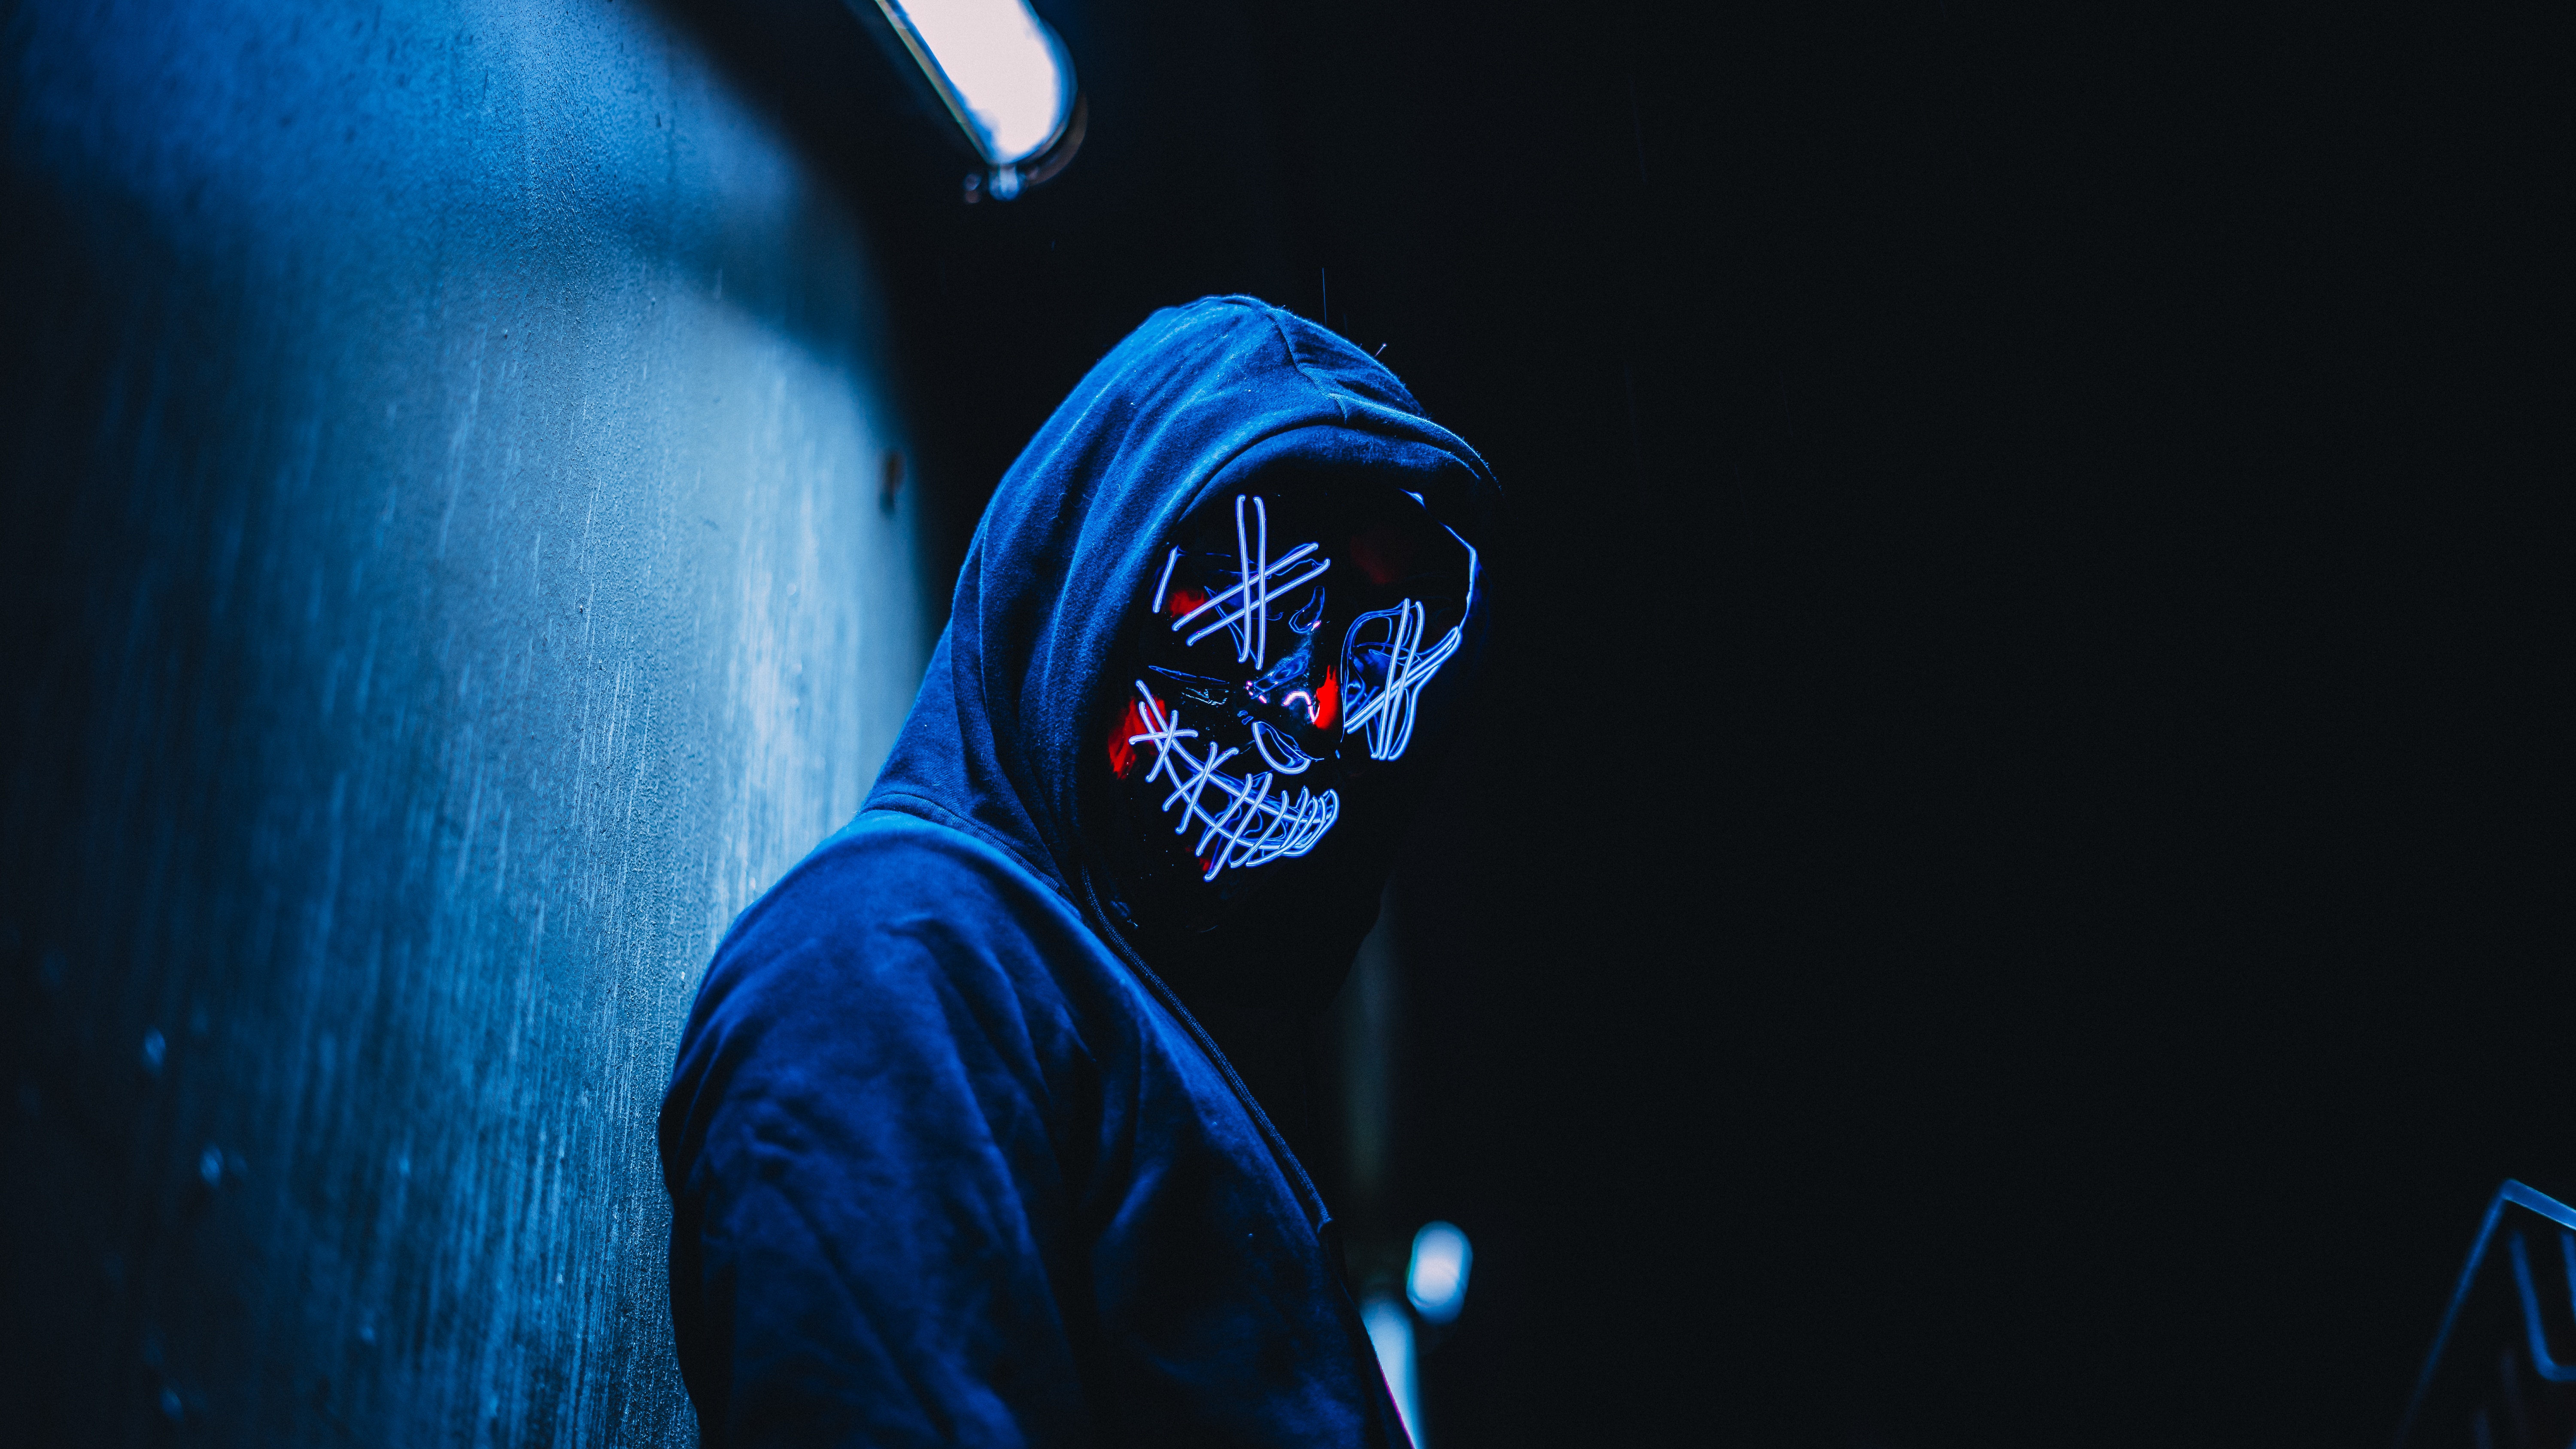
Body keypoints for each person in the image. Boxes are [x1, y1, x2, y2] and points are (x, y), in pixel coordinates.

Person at [658, 296, 1495, 1447]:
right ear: (1092, 564)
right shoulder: (896, 960)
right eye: (1269, 612)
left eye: (1374, 658)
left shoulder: (1018, 994)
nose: (1313, 709)